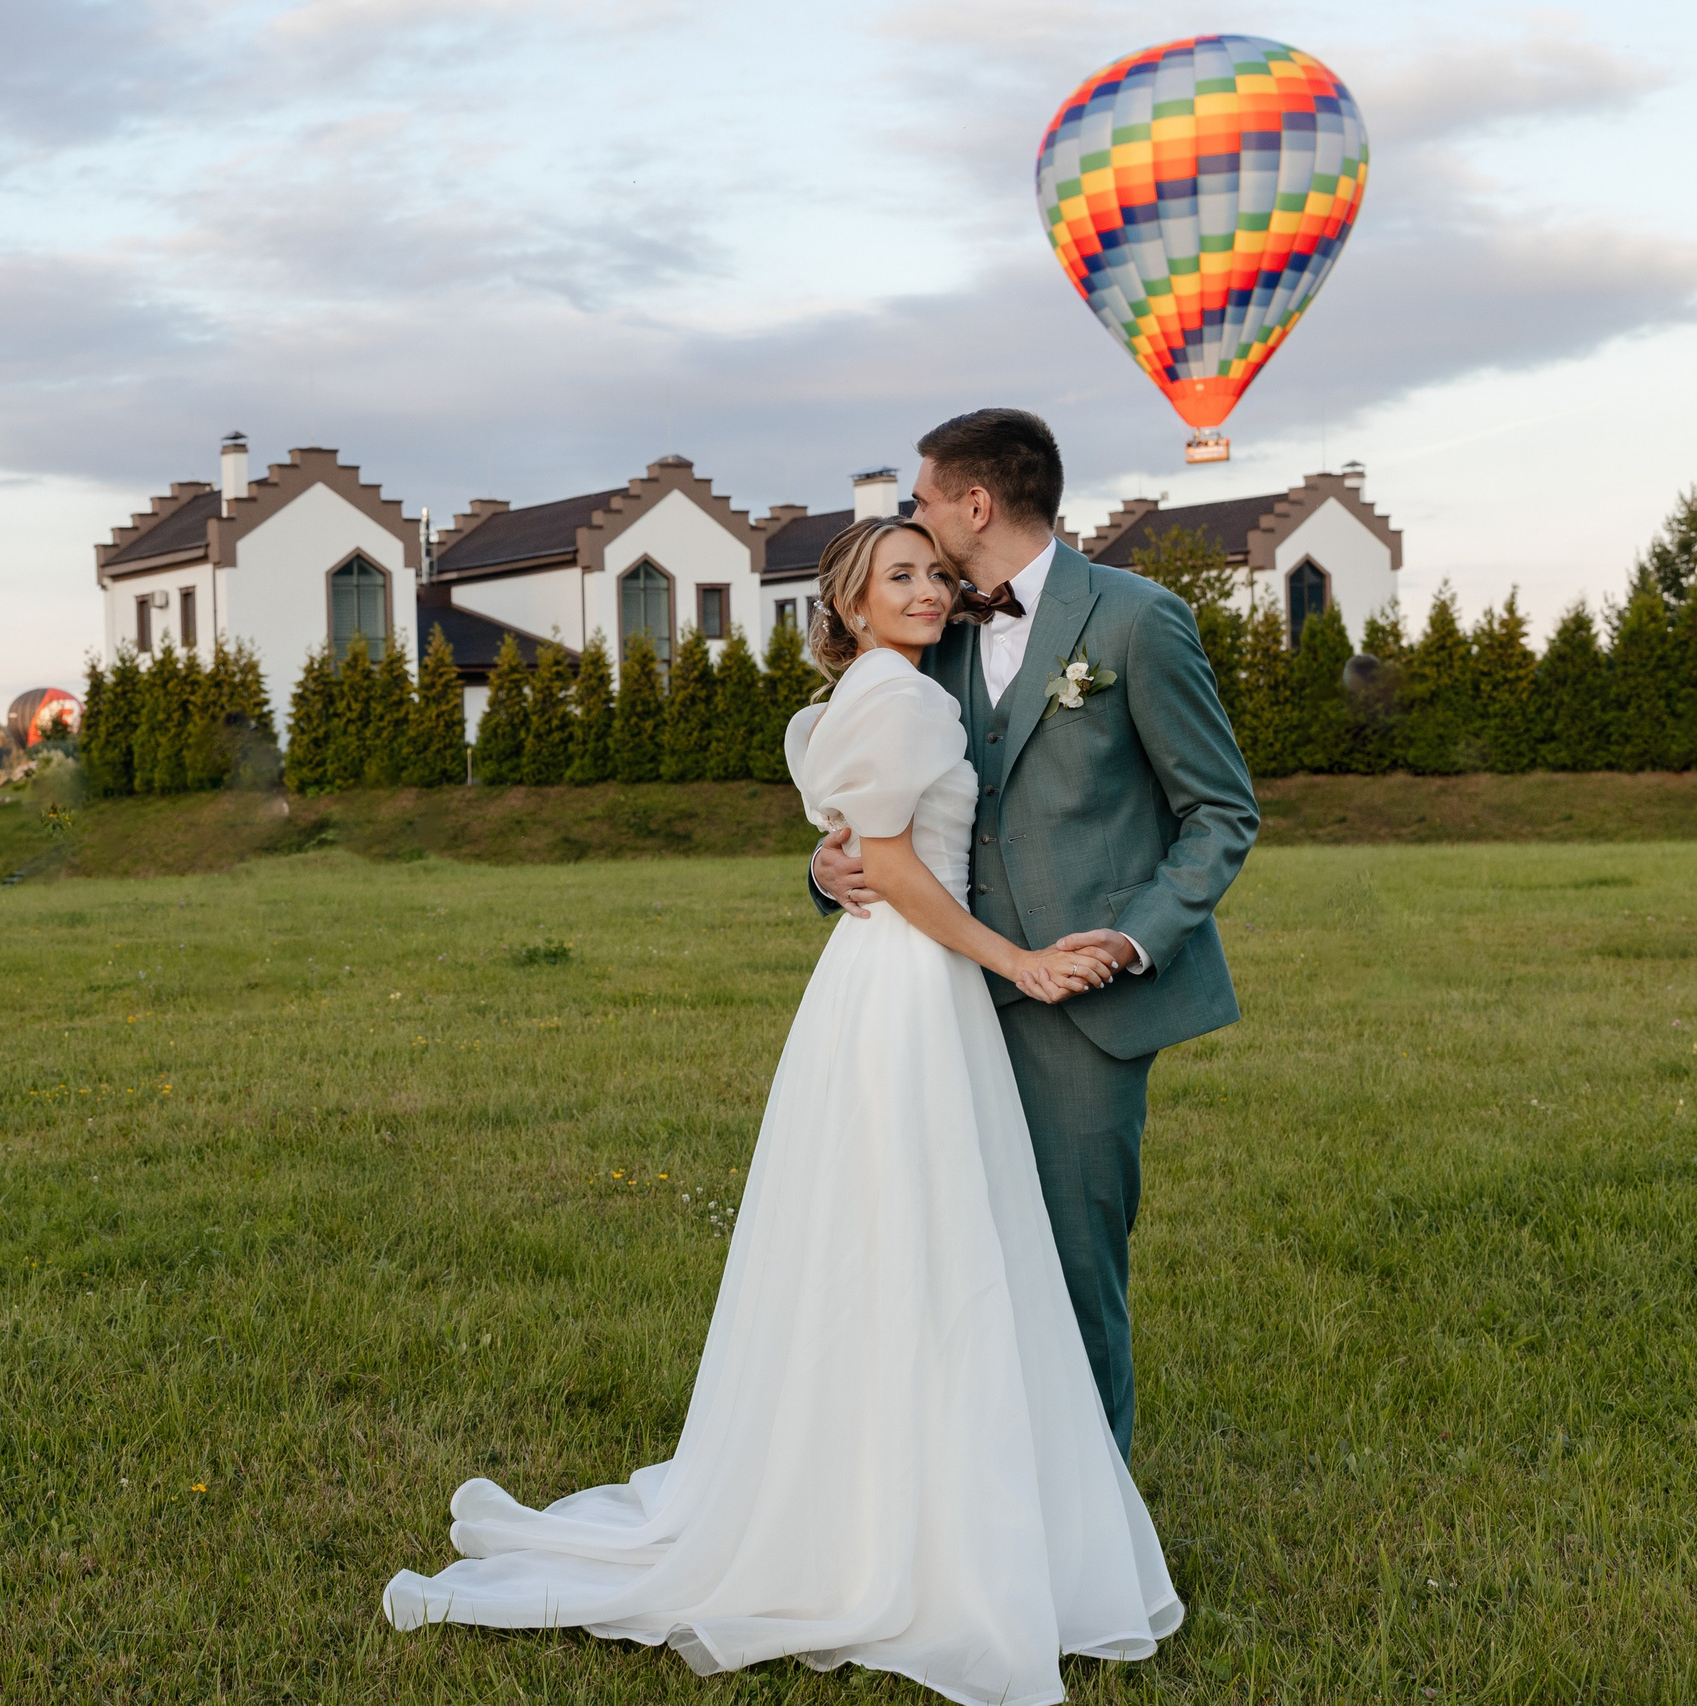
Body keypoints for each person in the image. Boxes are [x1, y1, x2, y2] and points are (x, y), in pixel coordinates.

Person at [384, 512, 1184, 1702]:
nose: (922, 588)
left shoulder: (884, 689)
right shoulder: (906, 699)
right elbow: (898, 866)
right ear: (850, 607)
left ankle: (876, 1486)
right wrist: (1014, 961)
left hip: (886, 987)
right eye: (894, 577)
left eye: (929, 571)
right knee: (923, 1236)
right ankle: (904, 1518)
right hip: (917, 982)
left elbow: (864, 841)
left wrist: (853, 871)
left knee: (889, 1237)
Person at [810, 408, 1257, 1462]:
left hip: (1079, 1014)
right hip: (939, 995)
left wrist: (1131, 939)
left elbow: (1220, 810)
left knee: (1069, 1267)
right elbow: (889, 803)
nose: (912, 525)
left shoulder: (1138, 619)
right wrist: (830, 870)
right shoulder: (934, 627)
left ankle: (1091, 1520)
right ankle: (969, 1493)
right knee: (948, 1260)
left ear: (973, 504)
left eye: (920, 499)